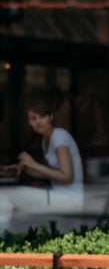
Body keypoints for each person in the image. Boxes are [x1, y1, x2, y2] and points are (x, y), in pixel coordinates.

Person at [0, 96, 84, 233]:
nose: (38, 122)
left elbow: (67, 177)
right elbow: (49, 173)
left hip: (69, 199)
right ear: (29, 123)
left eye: (42, 116)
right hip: (60, 196)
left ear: (51, 117)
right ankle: (8, 235)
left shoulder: (59, 138)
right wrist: (24, 168)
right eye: (33, 118)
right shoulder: (46, 141)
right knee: (8, 195)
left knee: (6, 194)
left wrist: (34, 164)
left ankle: (3, 239)